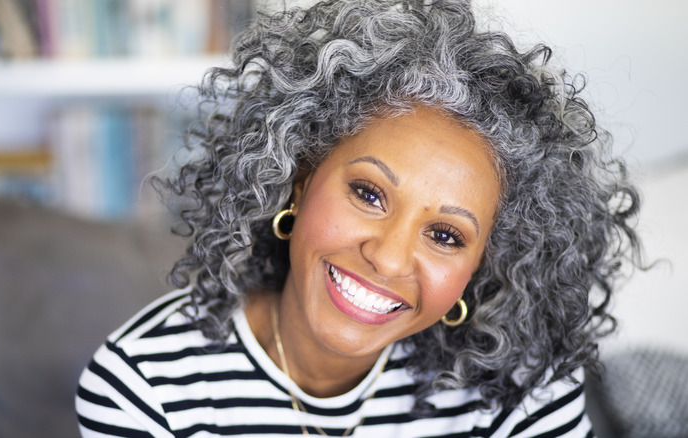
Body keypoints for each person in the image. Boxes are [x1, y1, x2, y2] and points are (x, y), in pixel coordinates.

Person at [76, 0, 642, 436]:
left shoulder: (525, 388)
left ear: (483, 263)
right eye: (369, 194)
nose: (388, 258)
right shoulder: (144, 385)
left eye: (446, 235)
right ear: (300, 179)